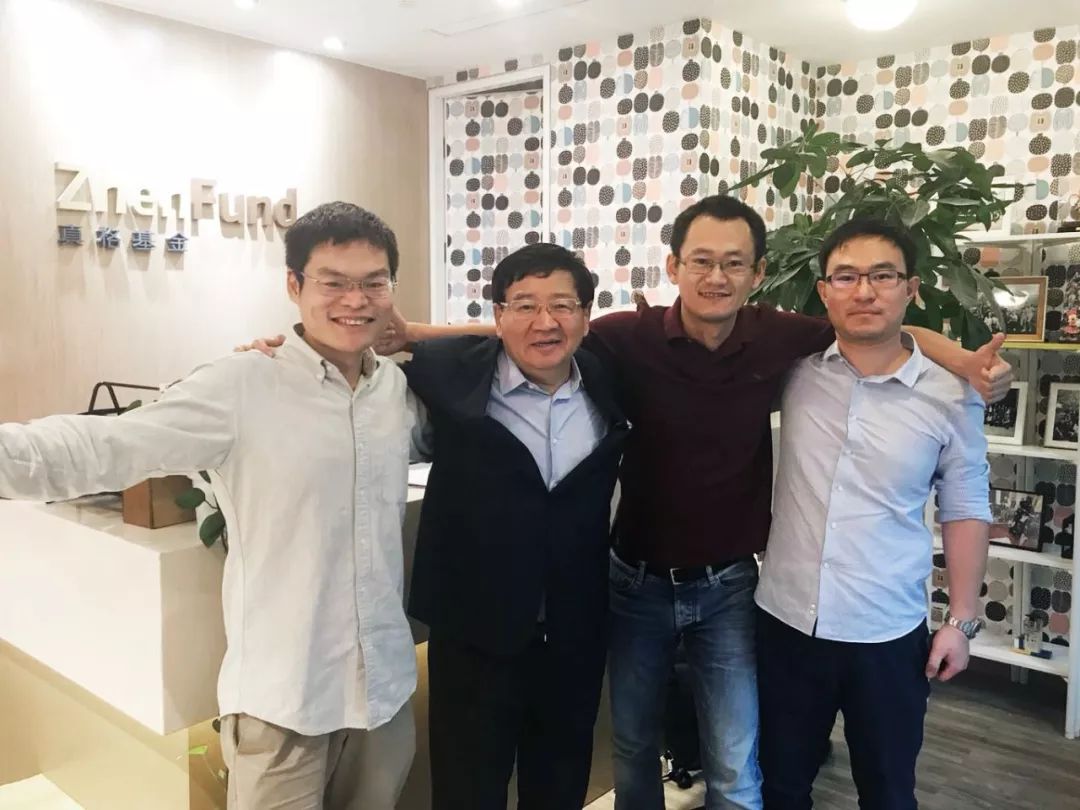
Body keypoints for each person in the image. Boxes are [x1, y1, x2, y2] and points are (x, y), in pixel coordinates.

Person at [378, 194, 1013, 810]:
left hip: (730, 587)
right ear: (673, 266)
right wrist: (413, 333)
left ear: (758, 274)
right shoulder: (628, 338)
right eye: (701, 261)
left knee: (736, 761)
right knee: (632, 750)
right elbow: (537, 327)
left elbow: (883, 327)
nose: (717, 276)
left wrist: (963, 362)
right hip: (634, 582)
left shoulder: (781, 340)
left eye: (734, 263)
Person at [0, 202, 418, 810]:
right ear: (294, 285)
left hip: (384, 698)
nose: (355, 300)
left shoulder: (395, 391)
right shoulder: (243, 384)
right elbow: (108, 445)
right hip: (285, 703)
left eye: (373, 282)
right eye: (333, 282)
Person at [244, 242, 629, 810]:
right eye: (524, 305)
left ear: (587, 315)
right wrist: (276, 363)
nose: (545, 322)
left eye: (563, 305)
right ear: (498, 315)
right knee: (466, 790)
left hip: (574, 633)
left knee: (561, 784)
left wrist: (418, 329)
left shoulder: (610, 376)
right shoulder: (450, 374)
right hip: (474, 634)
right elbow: (349, 379)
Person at [754, 218, 991, 810]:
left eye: (883, 276)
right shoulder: (795, 373)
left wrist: (961, 621)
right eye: (846, 277)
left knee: (887, 792)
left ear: (911, 289)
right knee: (780, 788)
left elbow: (966, 505)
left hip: (887, 632)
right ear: (824, 290)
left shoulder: (952, 395)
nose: (864, 291)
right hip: (787, 622)